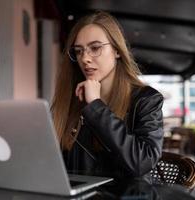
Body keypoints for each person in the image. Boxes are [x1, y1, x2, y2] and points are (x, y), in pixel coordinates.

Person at [51, 11, 164, 180]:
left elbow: (142, 161)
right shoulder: (72, 98)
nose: (85, 58)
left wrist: (95, 106)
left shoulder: (146, 99)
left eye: (95, 48)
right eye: (79, 51)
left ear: (117, 50)